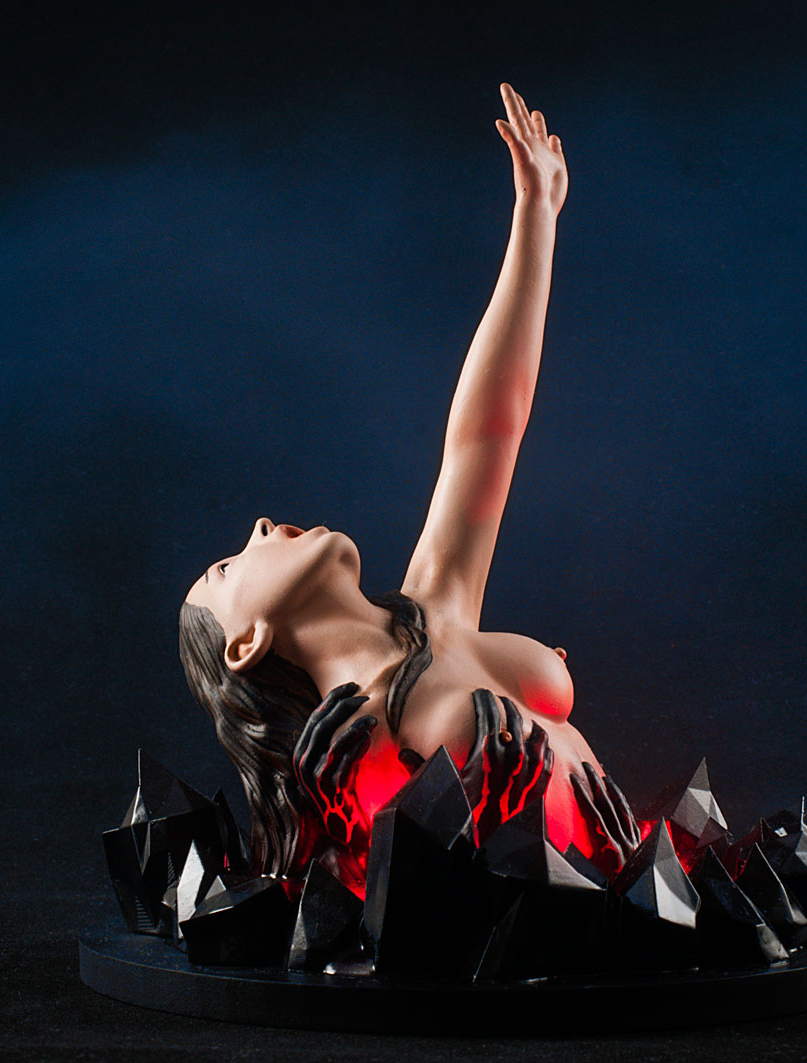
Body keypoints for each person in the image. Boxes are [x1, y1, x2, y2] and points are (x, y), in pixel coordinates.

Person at [179, 85, 639, 889]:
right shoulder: (348, 750)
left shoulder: (434, 606)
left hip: (624, 910)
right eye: (227, 566)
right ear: (245, 642)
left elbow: (488, 431)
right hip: (540, 946)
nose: (259, 523)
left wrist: (536, 216)